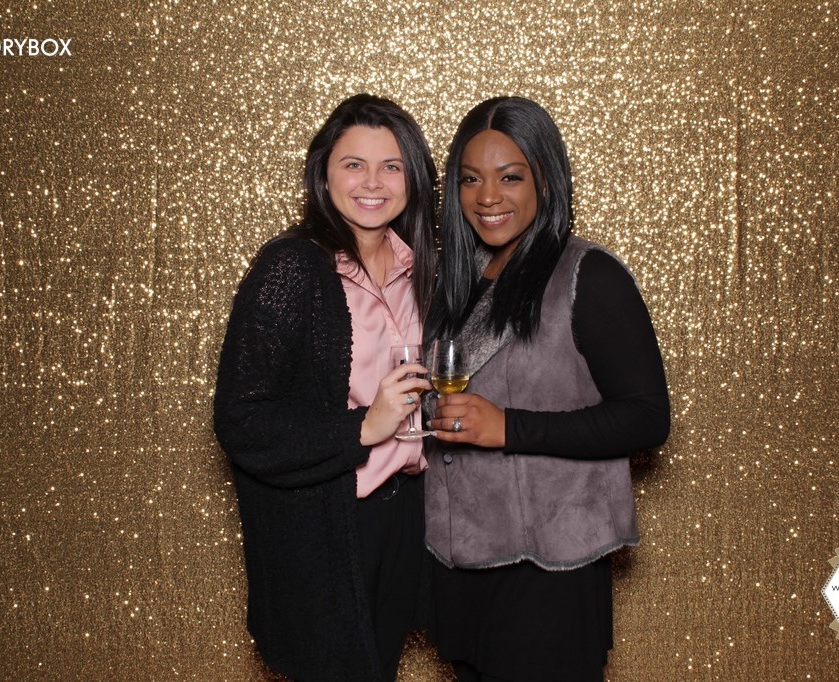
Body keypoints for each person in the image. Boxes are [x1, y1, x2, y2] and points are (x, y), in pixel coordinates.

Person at [424, 97, 671, 681]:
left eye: (510, 177)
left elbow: (647, 417)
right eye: (471, 179)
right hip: (459, 561)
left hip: (550, 571)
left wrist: (509, 427)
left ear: (545, 178)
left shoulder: (589, 274)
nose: (488, 197)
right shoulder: (454, 281)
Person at [214, 94, 437, 681]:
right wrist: (363, 426)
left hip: (406, 516)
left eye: (391, 166)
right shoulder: (292, 268)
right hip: (329, 525)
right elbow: (242, 421)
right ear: (324, 173)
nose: (373, 182)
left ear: (413, 178)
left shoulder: (422, 268)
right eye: (353, 164)